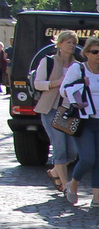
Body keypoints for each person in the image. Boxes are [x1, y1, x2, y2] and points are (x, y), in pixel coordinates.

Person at [60, 41, 99, 208]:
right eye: (94, 51)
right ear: (86, 53)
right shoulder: (77, 69)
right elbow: (63, 90)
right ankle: (73, 183)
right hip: (84, 120)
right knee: (87, 159)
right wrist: (80, 84)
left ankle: (96, 197)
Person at [31, 30, 81, 192]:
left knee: (73, 151)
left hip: (69, 110)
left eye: (74, 43)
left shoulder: (77, 65)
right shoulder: (49, 61)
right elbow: (38, 84)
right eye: (68, 42)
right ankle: (66, 185)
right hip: (50, 108)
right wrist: (57, 83)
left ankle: (54, 172)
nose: (72, 45)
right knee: (59, 146)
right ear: (59, 44)